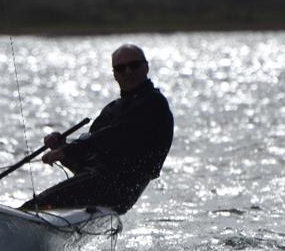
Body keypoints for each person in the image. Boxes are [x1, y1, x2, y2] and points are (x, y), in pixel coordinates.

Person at [20, 44, 173, 214]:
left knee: (31, 208)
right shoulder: (113, 109)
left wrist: (68, 151)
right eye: (121, 68)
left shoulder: (154, 103)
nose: (128, 72)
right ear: (115, 74)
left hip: (121, 187)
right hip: (97, 180)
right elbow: (91, 147)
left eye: (134, 65)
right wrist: (61, 146)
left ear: (146, 67)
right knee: (32, 206)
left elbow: (116, 136)